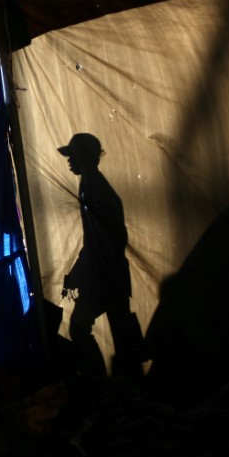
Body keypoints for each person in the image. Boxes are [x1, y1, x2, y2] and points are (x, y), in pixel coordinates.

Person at [58, 133, 146, 378]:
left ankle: (101, 382)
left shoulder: (93, 189)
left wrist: (79, 273)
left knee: (81, 326)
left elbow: (98, 241)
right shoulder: (91, 185)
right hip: (110, 271)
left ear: (84, 156)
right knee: (119, 331)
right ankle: (127, 384)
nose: (69, 161)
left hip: (105, 273)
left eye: (72, 156)